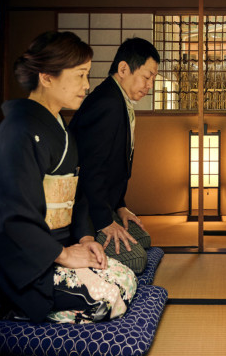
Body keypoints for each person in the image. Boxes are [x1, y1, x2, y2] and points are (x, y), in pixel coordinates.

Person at [0, 31, 137, 324]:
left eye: (87, 75)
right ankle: (14, 308)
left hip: (63, 244)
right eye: (80, 75)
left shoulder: (60, 127)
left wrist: (84, 238)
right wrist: (64, 255)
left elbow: (76, 196)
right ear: (46, 77)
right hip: (29, 260)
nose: (87, 85)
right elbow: (12, 217)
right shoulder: (17, 131)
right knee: (108, 297)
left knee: (126, 278)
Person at [69, 37, 160, 274]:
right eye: (147, 76)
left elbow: (114, 167)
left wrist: (120, 207)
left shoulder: (119, 99)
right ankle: (81, 246)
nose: (150, 84)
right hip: (86, 210)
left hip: (105, 203)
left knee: (143, 239)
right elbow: (91, 168)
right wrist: (105, 223)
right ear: (123, 69)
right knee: (137, 260)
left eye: (153, 79)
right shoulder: (107, 103)